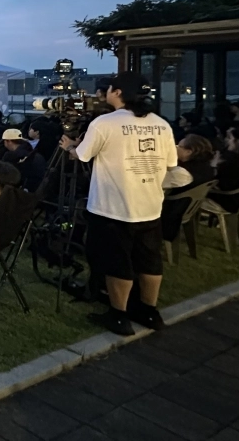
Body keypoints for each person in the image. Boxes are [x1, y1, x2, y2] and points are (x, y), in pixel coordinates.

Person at [59, 72, 176, 336]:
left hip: (112, 208)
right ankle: (149, 310)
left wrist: (69, 147)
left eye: (109, 88)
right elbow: (170, 163)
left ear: (118, 92)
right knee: (149, 261)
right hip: (150, 205)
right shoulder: (161, 124)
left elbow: (82, 155)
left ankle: (119, 315)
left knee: (117, 262)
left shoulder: (105, 123)